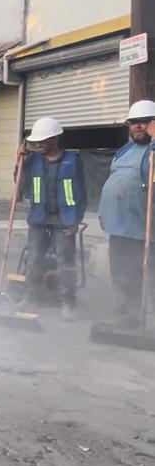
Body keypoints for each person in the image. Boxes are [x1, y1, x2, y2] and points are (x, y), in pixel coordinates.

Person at [16, 117, 86, 321]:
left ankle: (67, 302)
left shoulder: (73, 161)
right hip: (39, 219)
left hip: (65, 220)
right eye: (36, 141)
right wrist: (18, 162)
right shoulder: (32, 160)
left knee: (66, 262)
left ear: (55, 138)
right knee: (34, 260)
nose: (38, 145)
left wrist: (76, 220)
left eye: (43, 141)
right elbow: (19, 184)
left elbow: (81, 193)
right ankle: (30, 297)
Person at [99, 100, 155, 329]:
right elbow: (113, 181)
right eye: (134, 123)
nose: (138, 127)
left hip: (145, 227)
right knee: (122, 274)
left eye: (144, 122)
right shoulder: (125, 150)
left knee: (149, 275)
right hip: (119, 225)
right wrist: (104, 212)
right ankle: (127, 315)